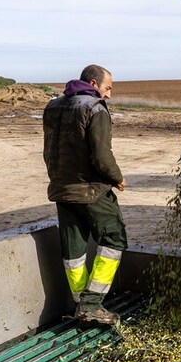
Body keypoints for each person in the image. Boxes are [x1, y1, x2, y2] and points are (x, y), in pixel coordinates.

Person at [42, 64, 127, 326]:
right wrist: (117, 177)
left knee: (74, 251)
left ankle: (82, 305)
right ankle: (91, 305)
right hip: (91, 190)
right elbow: (101, 155)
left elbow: (51, 149)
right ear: (93, 84)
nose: (109, 94)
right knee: (114, 238)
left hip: (62, 189)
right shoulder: (94, 108)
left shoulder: (53, 106)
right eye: (107, 87)